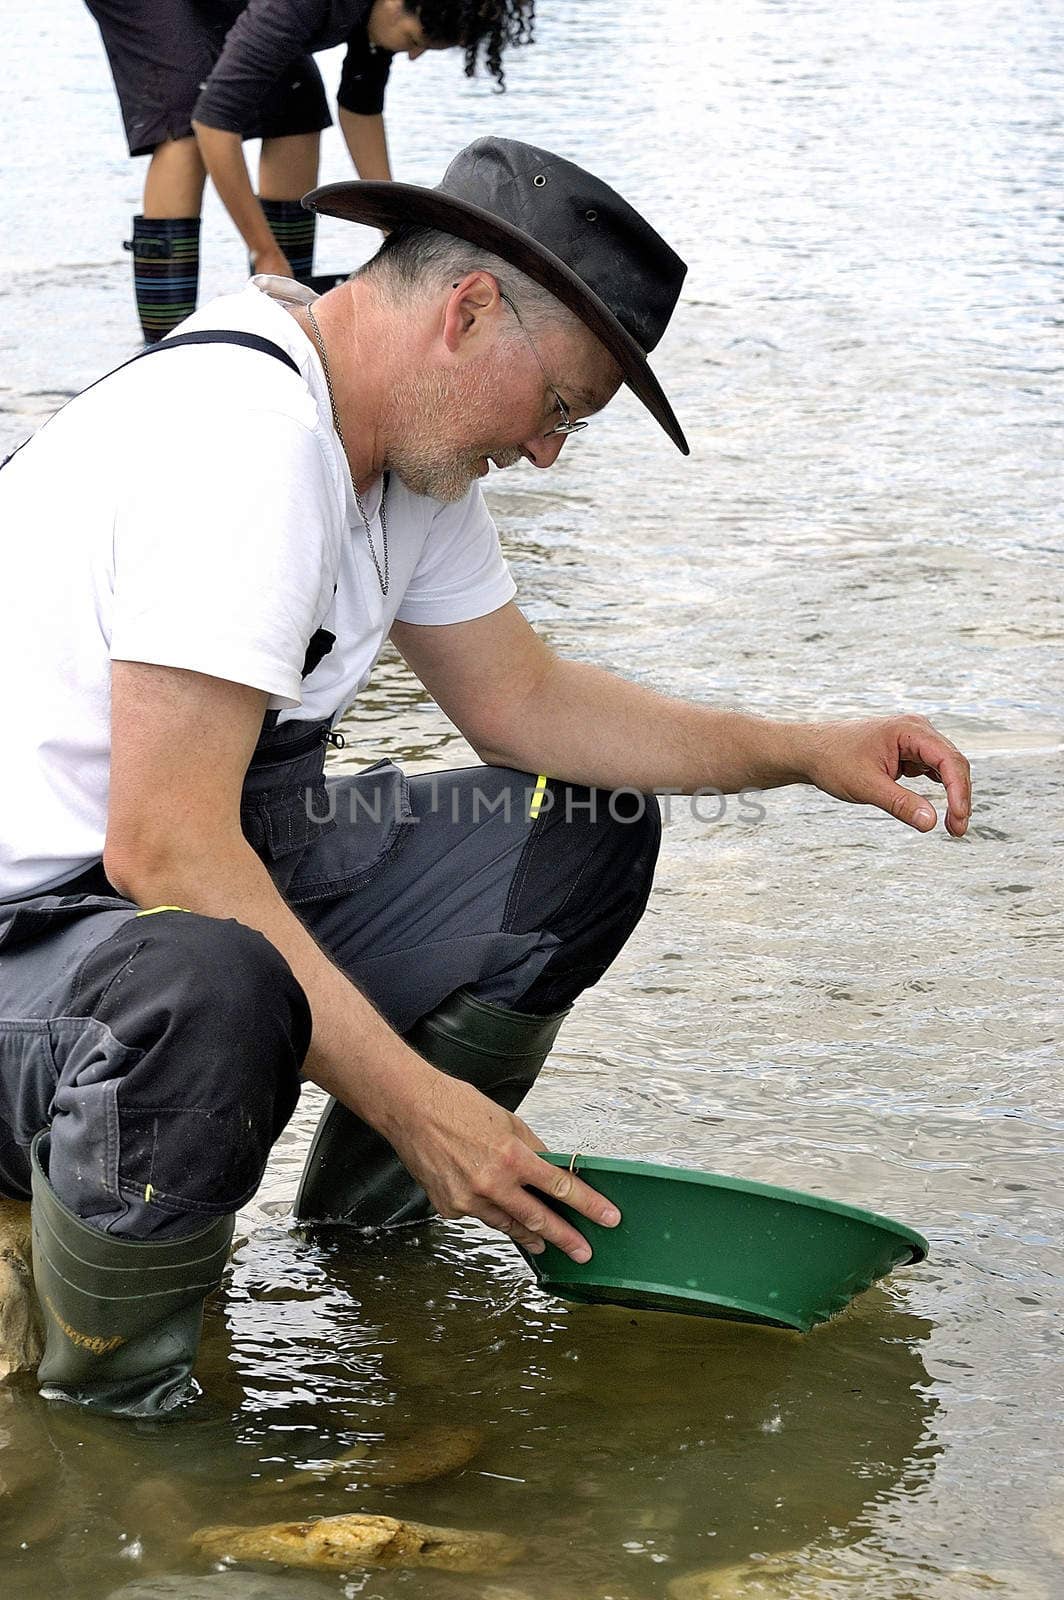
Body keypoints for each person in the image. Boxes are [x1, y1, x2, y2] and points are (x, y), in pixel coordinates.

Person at [0, 137, 972, 1418]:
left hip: (144, 903)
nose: (549, 452)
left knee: (584, 833)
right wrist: (419, 1104)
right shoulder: (244, 443)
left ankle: (364, 1247)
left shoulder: (396, 455)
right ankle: (120, 1424)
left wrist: (799, 748)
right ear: (466, 313)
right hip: (42, 937)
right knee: (208, 979)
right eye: (560, 407)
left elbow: (527, 706)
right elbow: (169, 852)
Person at [83, 0, 535, 341]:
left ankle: (278, 317)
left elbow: (359, 108)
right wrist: (262, 249)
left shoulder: (377, 14)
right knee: (184, 122)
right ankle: (161, 346)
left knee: (298, 104)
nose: (413, 57)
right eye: (416, 41)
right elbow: (214, 123)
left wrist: (399, 233)